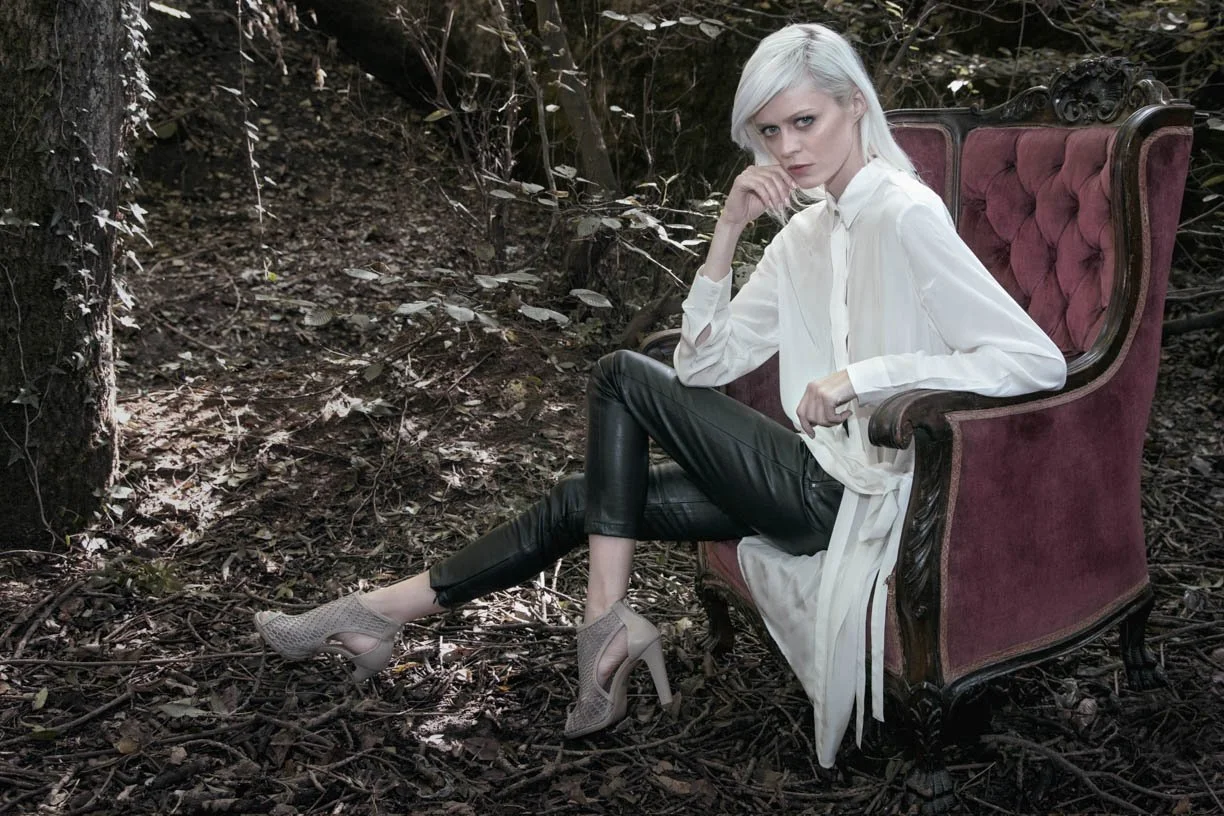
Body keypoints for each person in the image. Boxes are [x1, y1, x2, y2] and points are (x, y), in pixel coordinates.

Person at [254, 23, 1066, 759]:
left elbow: (1032, 361)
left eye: (805, 121)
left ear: (854, 104)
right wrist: (727, 233)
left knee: (620, 374)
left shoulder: (903, 213)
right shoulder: (807, 233)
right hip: (806, 480)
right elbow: (705, 366)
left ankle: (603, 623)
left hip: (857, 497)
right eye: (770, 131)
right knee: (584, 498)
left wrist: (866, 378)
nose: (788, 148)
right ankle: (380, 615)